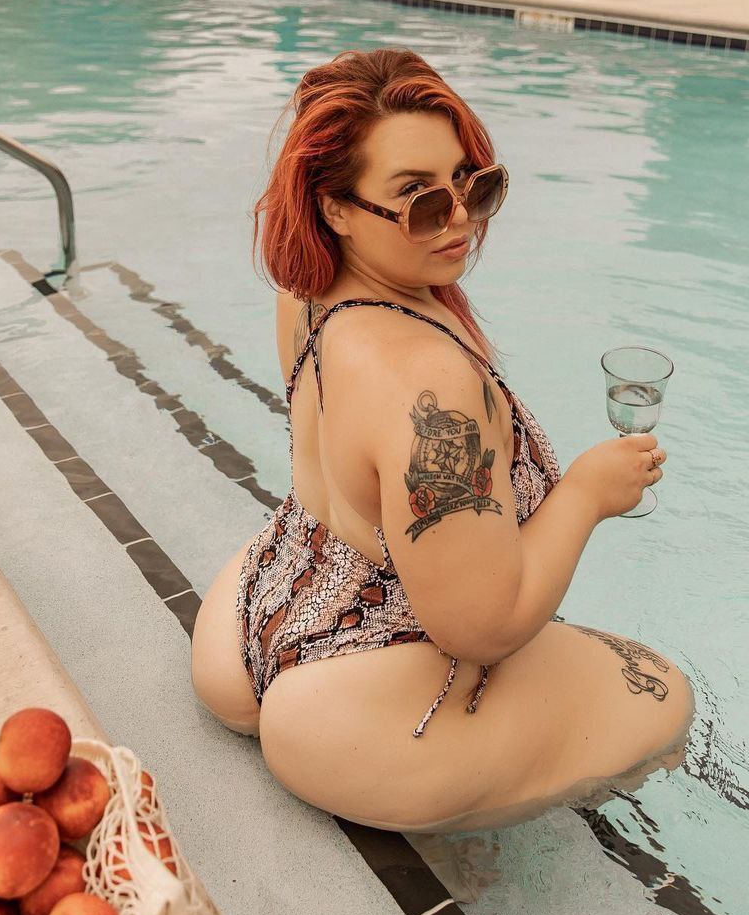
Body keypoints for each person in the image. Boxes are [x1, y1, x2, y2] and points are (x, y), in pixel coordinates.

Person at [191, 47, 695, 850]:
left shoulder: (307, 293)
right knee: (666, 696)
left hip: (265, 610)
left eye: (471, 183)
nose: (459, 218)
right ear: (336, 208)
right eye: (417, 198)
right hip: (356, 714)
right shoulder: (431, 385)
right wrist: (588, 494)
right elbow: (482, 628)